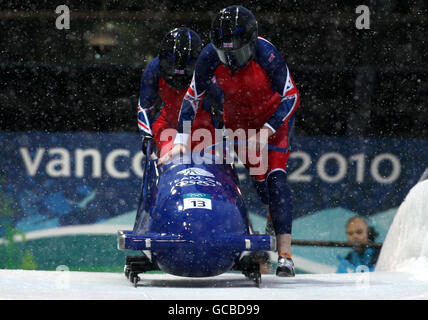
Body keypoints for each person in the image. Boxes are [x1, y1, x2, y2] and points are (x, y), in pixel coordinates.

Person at [159, 6, 300, 277]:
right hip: (238, 125)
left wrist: (267, 130)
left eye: (237, 53)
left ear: (251, 42)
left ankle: (285, 256)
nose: (231, 60)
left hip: (272, 123)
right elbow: (192, 98)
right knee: (261, 186)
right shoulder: (208, 58)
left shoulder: (267, 54)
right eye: (226, 54)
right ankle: (272, 216)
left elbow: (291, 96)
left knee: (276, 179)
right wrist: (181, 140)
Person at [137, 27, 219, 157]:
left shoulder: (207, 70)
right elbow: (144, 107)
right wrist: (146, 135)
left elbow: (223, 104)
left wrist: (226, 132)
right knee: (172, 159)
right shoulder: (154, 69)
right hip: (168, 128)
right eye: (171, 68)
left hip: (203, 130)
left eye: (186, 70)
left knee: (210, 166)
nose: (177, 78)